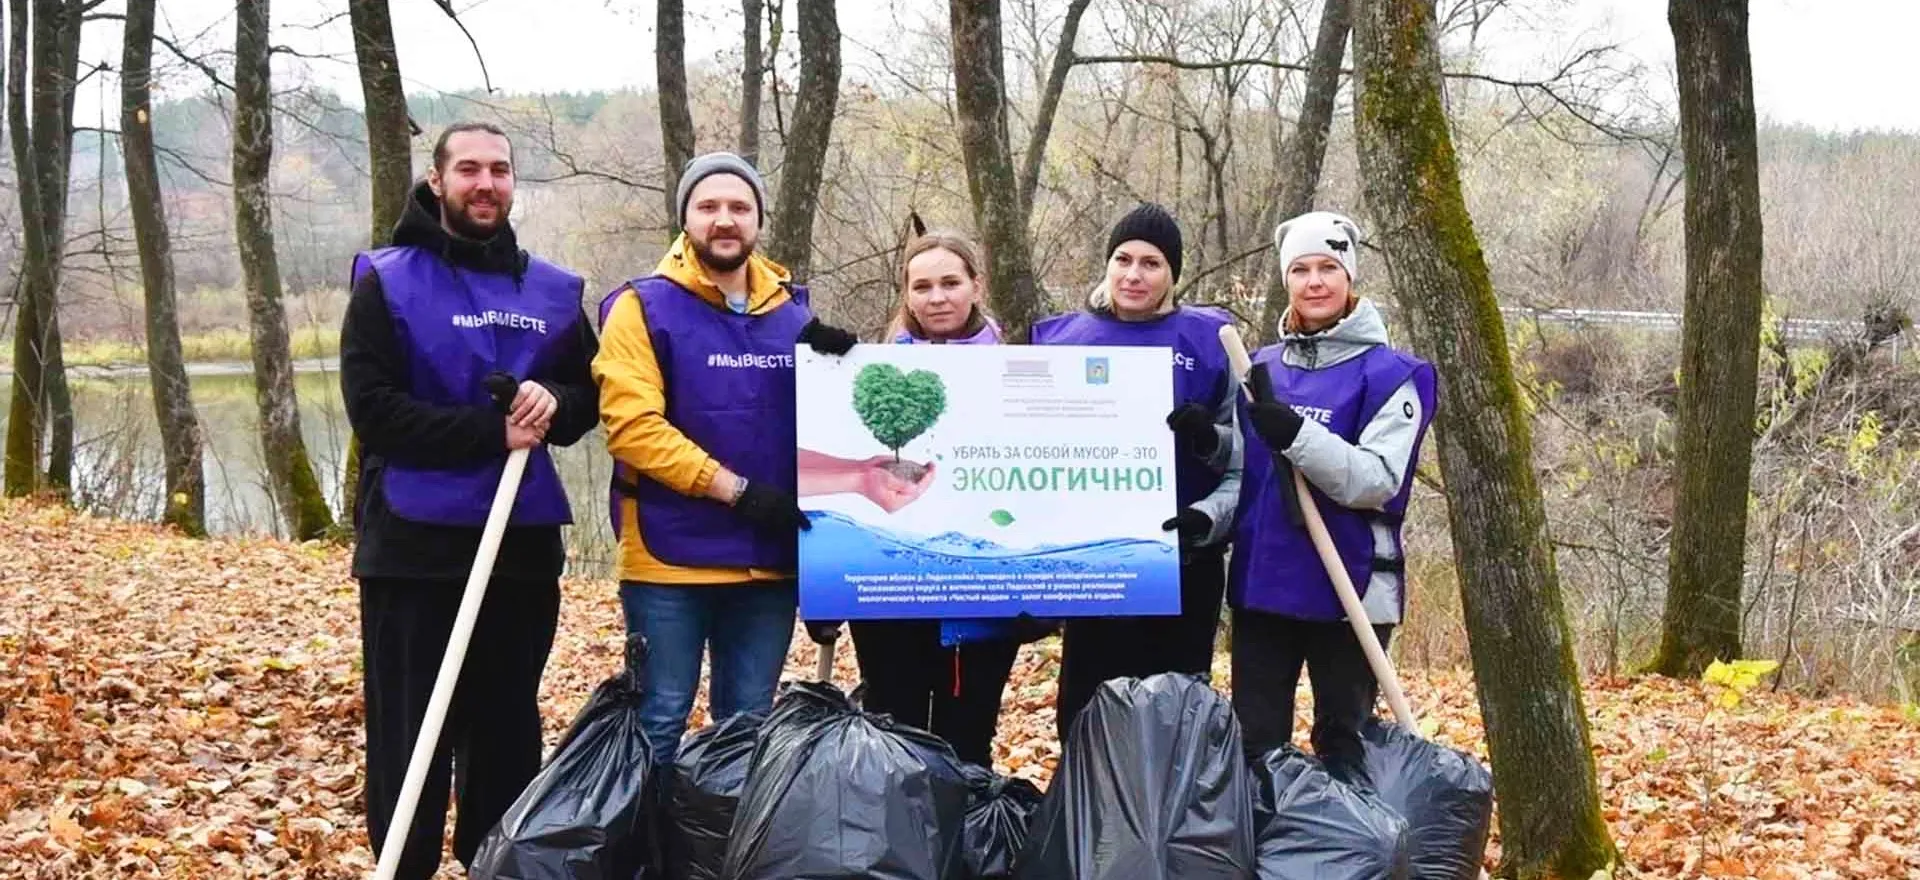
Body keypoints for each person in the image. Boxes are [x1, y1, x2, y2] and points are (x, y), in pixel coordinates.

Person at [340, 121, 601, 879]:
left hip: (518, 551)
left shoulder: (552, 291)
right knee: (410, 738)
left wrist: (551, 401)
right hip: (413, 551)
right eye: (469, 170)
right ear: (436, 180)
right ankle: (403, 863)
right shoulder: (384, 281)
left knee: (506, 733)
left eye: (500, 170)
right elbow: (374, 412)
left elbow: (588, 398)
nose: (485, 184)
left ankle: (495, 865)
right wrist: (492, 432)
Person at [592, 150, 855, 767]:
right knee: (657, 721)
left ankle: (718, 856)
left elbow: (834, 434)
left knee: (746, 728)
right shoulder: (639, 306)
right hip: (669, 562)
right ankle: (646, 857)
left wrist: (846, 369)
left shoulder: (792, 313)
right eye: (708, 206)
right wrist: (735, 491)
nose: (725, 219)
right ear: (685, 217)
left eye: (740, 207)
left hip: (768, 565)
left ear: (758, 221)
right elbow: (633, 429)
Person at [807, 229, 1035, 767]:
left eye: (951, 283)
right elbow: (840, 493)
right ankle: (901, 852)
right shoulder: (863, 374)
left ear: (976, 286)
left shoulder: (1020, 373)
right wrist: (824, 592)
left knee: (969, 742)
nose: (938, 298)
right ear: (906, 293)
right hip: (889, 601)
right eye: (923, 286)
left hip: (981, 609)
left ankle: (968, 849)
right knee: (894, 743)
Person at [1227, 210, 1438, 767]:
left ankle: (1349, 852)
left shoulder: (1395, 374)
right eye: (1300, 269)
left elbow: (1376, 479)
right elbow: (1242, 472)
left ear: (1350, 276)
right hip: (1263, 584)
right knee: (1255, 745)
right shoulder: (1258, 368)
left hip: (1352, 588)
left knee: (1345, 745)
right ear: (1285, 279)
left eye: (1328, 267)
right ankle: (1264, 848)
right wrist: (1208, 445)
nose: (1314, 282)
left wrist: (1297, 433)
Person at [1030, 202, 1244, 742]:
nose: (1133, 273)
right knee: (1086, 711)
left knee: (1171, 717)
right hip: (1095, 563)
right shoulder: (1063, 339)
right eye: (1122, 259)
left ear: (1173, 273)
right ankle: (1086, 819)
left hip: (1184, 560)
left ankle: (1165, 821)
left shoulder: (1211, 342)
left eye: (1151, 263)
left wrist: (1206, 441)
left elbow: (1248, 457)